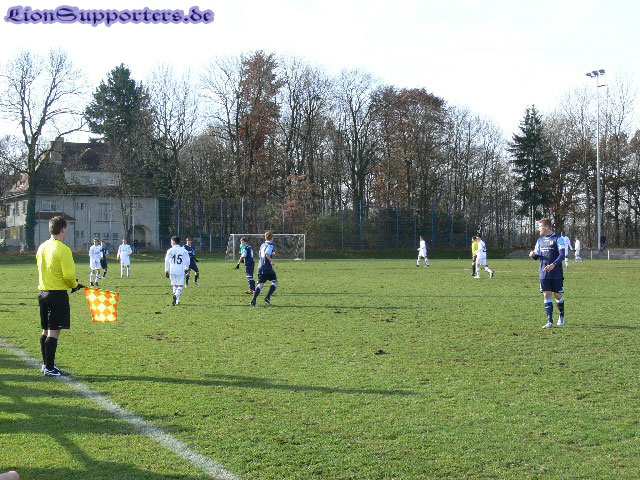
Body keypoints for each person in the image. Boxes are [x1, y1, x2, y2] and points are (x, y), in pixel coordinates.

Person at [36, 216, 84, 377]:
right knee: (54, 331)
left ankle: (46, 365)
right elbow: (68, 275)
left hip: (42, 292)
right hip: (56, 294)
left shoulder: (42, 247)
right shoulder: (63, 249)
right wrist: (74, 285)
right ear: (63, 229)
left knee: (45, 330)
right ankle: (50, 368)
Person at [529, 218, 566, 329]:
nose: (539, 229)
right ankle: (550, 321)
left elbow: (562, 255)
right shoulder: (539, 240)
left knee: (558, 295)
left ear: (546, 227)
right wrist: (533, 255)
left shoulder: (558, 238)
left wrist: (553, 264)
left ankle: (561, 314)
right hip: (543, 272)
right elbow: (537, 255)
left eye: (540, 227)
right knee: (546, 294)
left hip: (556, 272)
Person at [251, 230, 278, 306]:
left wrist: (271, 253)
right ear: (272, 238)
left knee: (260, 284)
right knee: (275, 282)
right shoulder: (270, 245)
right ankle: (268, 297)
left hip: (260, 267)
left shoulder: (263, 245)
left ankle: (254, 300)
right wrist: (271, 261)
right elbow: (267, 254)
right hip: (267, 268)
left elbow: (261, 254)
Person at [165, 236, 189, 306]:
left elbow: (166, 260)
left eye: (171, 242)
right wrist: (186, 268)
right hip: (180, 270)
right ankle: (176, 295)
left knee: (175, 285)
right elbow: (187, 260)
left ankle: (177, 301)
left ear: (173, 242)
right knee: (180, 286)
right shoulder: (184, 250)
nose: (171, 244)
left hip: (172, 270)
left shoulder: (170, 250)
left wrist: (166, 270)